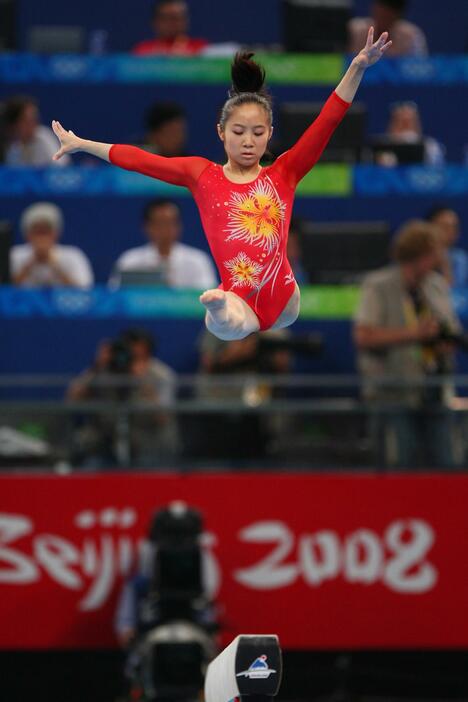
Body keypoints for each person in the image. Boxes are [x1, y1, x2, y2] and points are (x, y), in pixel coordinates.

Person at [52, 30, 392, 340]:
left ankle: (220, 307)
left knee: (234, 318)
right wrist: (83, 143)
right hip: (238, 297)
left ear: (269, 134)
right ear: (221, 132)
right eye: (238, 132)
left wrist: (357, 68)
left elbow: (327, 122)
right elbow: (141, 160)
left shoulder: (284, 172)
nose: (248, 142)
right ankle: (217, 307)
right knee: (226, 323)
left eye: (258, 133)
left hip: (284, 298)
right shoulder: (202, 174)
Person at [354, 219, 463, 468]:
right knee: (399, 468)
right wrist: (415, 334)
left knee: (446, 466)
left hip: (434, 390)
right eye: (435, 252)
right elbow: (364, 336)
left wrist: (445, 341)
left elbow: (449, 330)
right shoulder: (378, 285)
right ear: (422, 254)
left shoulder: (435, 285)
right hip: (393, 394)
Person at [67, 329, 178, 468]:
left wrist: (142, 381)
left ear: (148, 353)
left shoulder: (162, 375)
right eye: (128, 351)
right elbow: (72, 400)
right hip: (106, 441)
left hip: (148, 442)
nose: (130, 357)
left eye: (137, 354)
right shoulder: (104, 370)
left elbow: (163, 418)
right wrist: (96, 367)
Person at [110, 199, 217, 289]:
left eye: (170, 223)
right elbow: (115, 295)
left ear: (179, 226)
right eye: (159, 223)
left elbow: (210, 299)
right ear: (147, 227)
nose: (165, 229)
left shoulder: (198, 260)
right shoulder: (129, 260)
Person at [11, 202, 94, 288]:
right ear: (27, 234)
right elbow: (4, 291)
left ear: (56, 234)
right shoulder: (14, 255)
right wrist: (29, 265)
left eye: (46, 232)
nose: (42, 237)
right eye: (37, 232)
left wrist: (55, 266)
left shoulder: (73, 255)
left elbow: (86, 292)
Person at [2, 95, 71, 167]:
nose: (33, 124)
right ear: (15, 123)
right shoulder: (10, 146)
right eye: (27, 121)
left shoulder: (44, 136)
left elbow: (62, 166)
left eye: (34, 119)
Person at [349, 0, 428, 57]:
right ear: (374, 8)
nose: (384, 15)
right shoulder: (355, 30)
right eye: (381, 10)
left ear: (398, 15)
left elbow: (420, 68)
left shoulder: (412, 35)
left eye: (388, 14)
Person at [379, 101, 445, 166]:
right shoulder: (381, 147)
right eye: (401, 123)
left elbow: (436, 170)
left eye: (409, 123)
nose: (405, 131)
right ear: (391, 125)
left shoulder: (431, 147)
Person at [132, 0, 209, 56]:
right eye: (165, 18)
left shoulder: (201, 49)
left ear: (186, 21)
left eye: (176, 18)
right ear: (155, 22)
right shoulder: (142, 51)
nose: (171, 23)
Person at [427, 205, 468, 288]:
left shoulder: (460, 258)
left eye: (454, 227)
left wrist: (444, 262)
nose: (451, 231)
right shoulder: (418, 257)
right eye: (445, 227)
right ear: (429, 227)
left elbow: (455, 293)